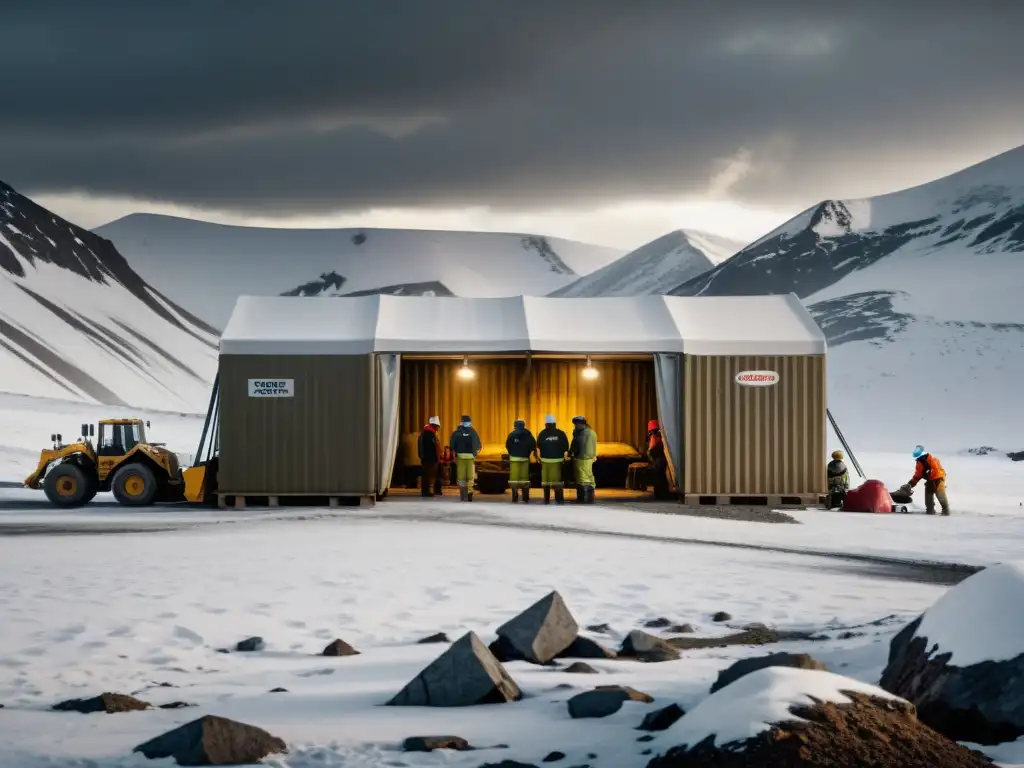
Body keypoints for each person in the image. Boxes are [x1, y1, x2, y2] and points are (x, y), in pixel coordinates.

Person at [908, 444, 950, 516]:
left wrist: (929, 476)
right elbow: (918, 475)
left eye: (919, 458)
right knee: (928, 500)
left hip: (938, 479)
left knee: (940, 495)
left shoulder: (933, 460)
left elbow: (935, 471)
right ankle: (930, 511)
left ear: (924, 455)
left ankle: (946, 511)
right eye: (917, 458)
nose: (918, 459)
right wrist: (910, 484)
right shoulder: (919, 463)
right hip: (930, 481)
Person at [537, 414, 569, 504]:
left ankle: (546, 499)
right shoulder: (561, 434)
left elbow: (538, 446)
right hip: (557, 461)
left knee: (546, 481)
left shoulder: (542, 434)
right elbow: (566, 447)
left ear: (546, 424)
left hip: (545, 461)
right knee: (557, 481)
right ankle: (559, 498)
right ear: (554, 423)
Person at [449, 414, 482, 502]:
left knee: (461, 476)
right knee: (470, 476)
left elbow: (452, 445)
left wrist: (454, 454)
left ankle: (462, 495)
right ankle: (470, 494)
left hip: (460, 457)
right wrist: (475, 453)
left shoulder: (457, 432)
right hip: (471, 457)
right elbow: (479, 445)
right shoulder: (473, 432)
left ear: (462, 422)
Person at [505, 418, 537, 503]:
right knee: (524, 479)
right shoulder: (528, 434)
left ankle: (514, 496)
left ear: (515, 426)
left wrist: (512, 453)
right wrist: (528, 453)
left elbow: (508, 446)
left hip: (514, 459)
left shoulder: (511, 435)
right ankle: (525, 496)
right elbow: (533, 445)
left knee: (514, 479)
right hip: (524, 459)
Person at [569, 415, 598, 504]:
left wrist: (571, 454)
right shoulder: (592, 432)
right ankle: (590, 497)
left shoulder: (581, 433)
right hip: (590, 458)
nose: (575, 426)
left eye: (576, 424)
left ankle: (583, 498)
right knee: (589, 477)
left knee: (582, 479)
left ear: (579, 424)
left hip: (582, 458)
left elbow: (577, 445)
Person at [417, 416, 442, 497]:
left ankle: (425, 491)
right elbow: (436, 447)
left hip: (424, 458)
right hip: (431, 459)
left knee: (426, 475)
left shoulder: (423, 434)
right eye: (437, 426)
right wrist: (438, 458)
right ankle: (429, 492)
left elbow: (420, 446)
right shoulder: (431, 435)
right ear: (435, 425)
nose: (438, 428)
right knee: (430, 475)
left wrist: (421, 456)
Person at [646, 419, 671, 500]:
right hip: (659, 461)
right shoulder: (658, 437)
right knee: (660, 478)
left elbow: (651, 449)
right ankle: (662, 494)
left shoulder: (655, 438)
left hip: (658, 461)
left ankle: (662, 494)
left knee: (659, 478)